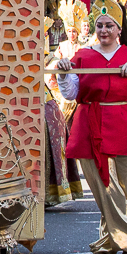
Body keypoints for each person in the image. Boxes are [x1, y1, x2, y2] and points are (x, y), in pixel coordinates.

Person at [53, 0, 127, 254]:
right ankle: (124, 241)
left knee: (124, 188)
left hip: (123, 125)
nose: (104, 30)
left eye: (109, 25)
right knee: (102, 190)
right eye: (100, 25)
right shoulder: (83, 55)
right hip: (90, 125)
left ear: (119, 29)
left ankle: (118, 246)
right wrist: (64, 73)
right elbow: (72, 94)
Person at [42, 14, 83, 209]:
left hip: (47, 100)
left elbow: (52, 62)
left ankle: (48, 191)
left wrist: (60, 65)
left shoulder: (46, 55)